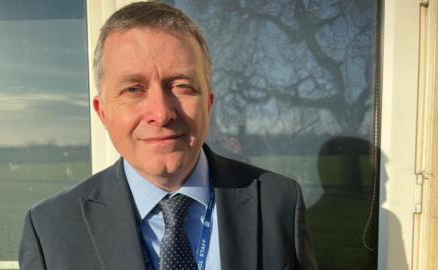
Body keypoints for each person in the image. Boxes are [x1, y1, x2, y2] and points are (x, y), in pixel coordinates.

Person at [18, 2, 317, 270]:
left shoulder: (279, 201)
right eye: (133, 89)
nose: (161, 113)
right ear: (102, 112)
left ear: (208, 104)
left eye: (181, 86)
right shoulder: (49, 230)